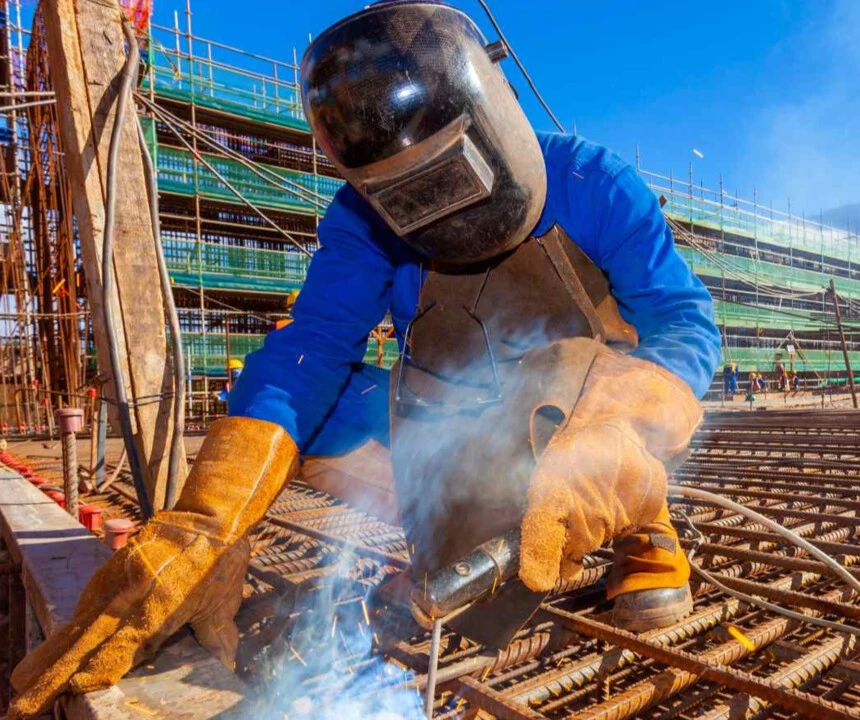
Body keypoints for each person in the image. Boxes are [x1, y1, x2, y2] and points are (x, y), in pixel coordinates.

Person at [8, 3, 721, 715]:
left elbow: (684, 325)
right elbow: (312, 348)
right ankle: (445, 528)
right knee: (309, 414)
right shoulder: (360, 218)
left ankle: (645, 534)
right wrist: (213, 520)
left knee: (590, 391)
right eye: (405, 196)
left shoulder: (592, 180)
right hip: (453, 414)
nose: (437, 215)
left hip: (579, 409)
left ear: (492, 125)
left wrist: (620, 435)